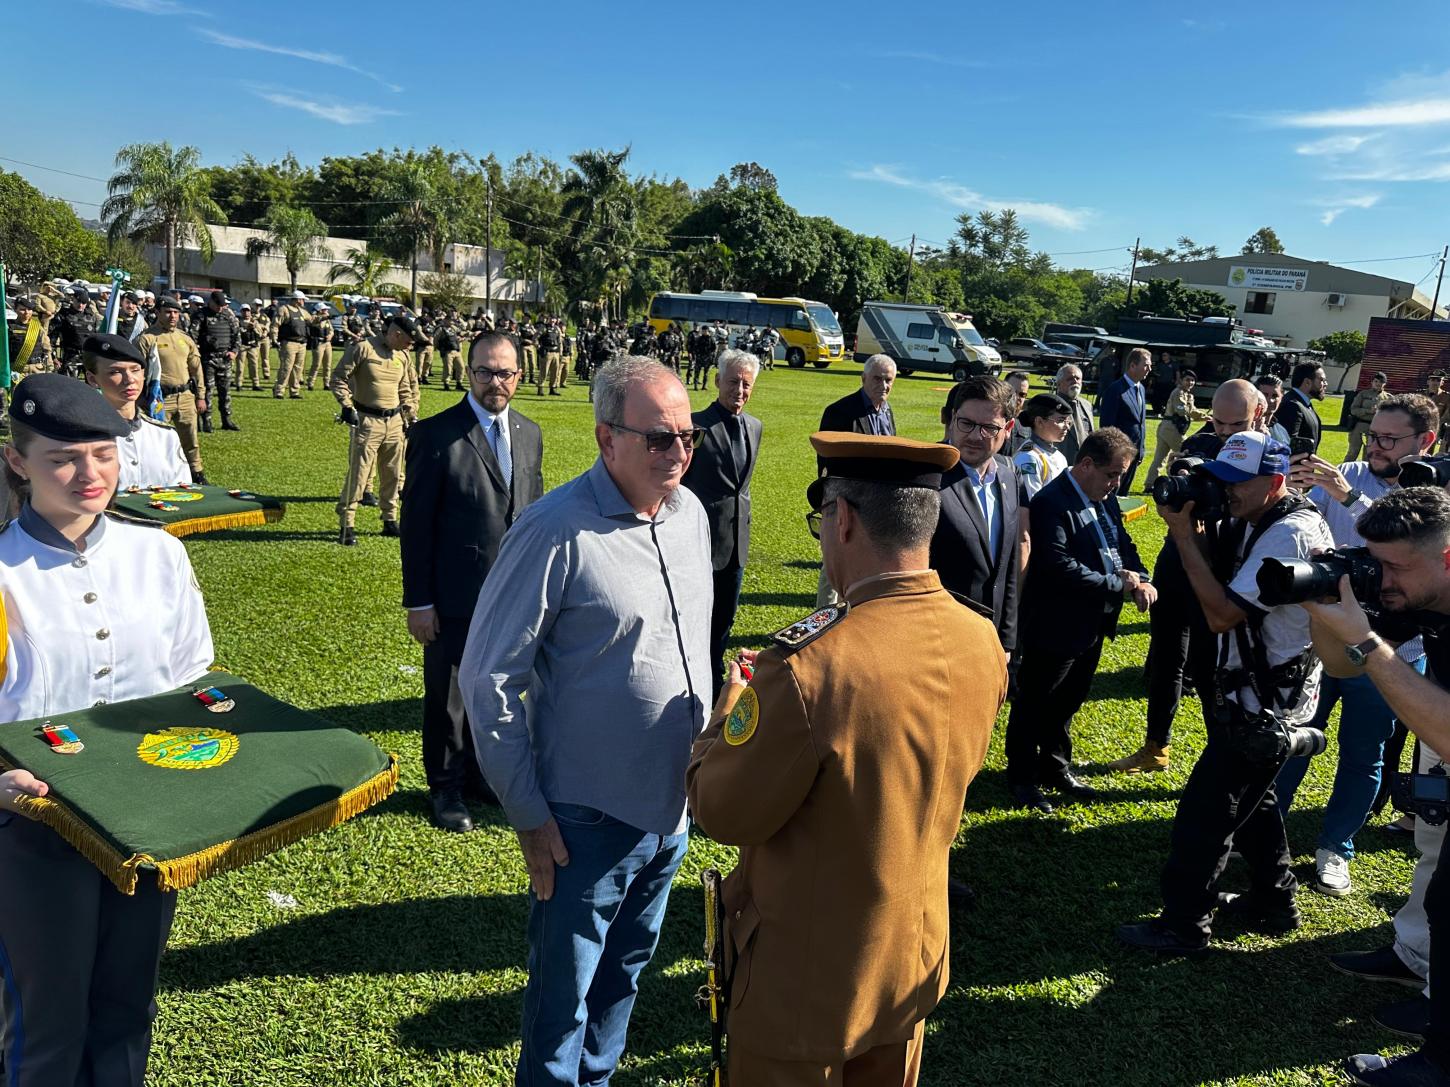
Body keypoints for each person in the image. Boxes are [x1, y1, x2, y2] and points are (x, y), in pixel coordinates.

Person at [686, 431, 1005, 1086]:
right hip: (910, 967)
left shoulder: (808, 667)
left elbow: (721, 808)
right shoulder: (981, 640)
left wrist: (726, 711)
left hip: (803, 994)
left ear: (846, 519)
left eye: (821, 520)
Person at [458, 356, 710, 1087]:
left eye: (688, 437)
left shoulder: (689, 514)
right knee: (561, 1005)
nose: (680, 453)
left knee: (622, 984)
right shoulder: (553, 531)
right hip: (583, 823)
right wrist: (529, 812)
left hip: (673, 810)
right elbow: (487, 677)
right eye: (659, 438)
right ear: (606, 438)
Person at [0, 373, 214, 1087]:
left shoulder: (159, 555)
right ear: (16, 460)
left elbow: (191, 680)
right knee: (46, 1027)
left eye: (102, 453)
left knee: (127, 1013)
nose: (88, 473)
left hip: (146, 820)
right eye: (61, 457)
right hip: (34, 828)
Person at [1118, 430, 1334, 955]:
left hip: (1268, 705)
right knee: (1253, 804)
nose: (1226, 492)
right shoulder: (1252, 518)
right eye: (1221, 479)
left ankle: (1185, 924)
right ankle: (1274, 900)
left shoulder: (1291, 534)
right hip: (1246, 694)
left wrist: (1185, 536)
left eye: (1238, 482)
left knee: (1204, 816)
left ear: (1277, 482)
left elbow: (1222, 614)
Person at [1300, 487, 1450, 1086]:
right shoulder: (1415, 591)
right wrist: (1323, 608)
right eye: (1374, 561)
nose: (1381, 579)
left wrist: (1365, 641)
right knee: (1442, 901)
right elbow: (1339, 666)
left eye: (1394, 566)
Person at [1274, 394, 1441, 895]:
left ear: (1425, 442)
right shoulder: (1341, 472)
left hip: (1394, 653)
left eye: (1390, 440)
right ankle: (1265, 828)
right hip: (1322, 645)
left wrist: (1350, 498)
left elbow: (1412, 541)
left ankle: (1335, 849)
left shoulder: (1435, 492)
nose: (1376, 448)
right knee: (1294, 739)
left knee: (1362, 755)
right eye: (1373, 436)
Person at [401, 332, 543, 833]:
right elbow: (416, 527)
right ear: (468, 372)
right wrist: (419, 601)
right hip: (453, 595)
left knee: (496, 691)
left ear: (518, 377)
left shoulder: (528, 433)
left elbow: (530, 513)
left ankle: (481, 776)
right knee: (449, 694)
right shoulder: (436, 435)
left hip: (513, 595)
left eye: (504, 373)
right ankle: (445, 787)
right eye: (485, 371)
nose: (494, 382)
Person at [1108, 379, 1264, 774]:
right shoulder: (1201, 441)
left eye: (1236, 424)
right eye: (1219, 422)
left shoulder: (1271, 453)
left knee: (1212, 668)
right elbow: (1178, 482)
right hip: (1177, 561)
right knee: (1165, 659)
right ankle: (1155, 746)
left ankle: (1223, 759)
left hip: (1227, 570)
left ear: (1258, 414)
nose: (1225, 432)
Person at [1006, 428, 1155, 813]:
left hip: (1091, 624)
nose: (1117, 483)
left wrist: (1141, 578)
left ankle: (1055, 767)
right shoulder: (1051, 503)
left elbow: (1124, 546)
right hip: (1056, 623)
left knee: (1069, 700)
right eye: (1112, 474)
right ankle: (1022, 778)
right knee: (1034, 704)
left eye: (1120, 475)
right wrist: (1115, 586)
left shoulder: (1102, 498)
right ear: (1086, 464)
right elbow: (1055, 565)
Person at [681, 348, 763, 699]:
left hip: (737, 544)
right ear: (717, 381)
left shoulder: (755, 427)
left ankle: (715, 691)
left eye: (746, 385)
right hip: (700, 543)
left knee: (724, 623)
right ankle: (700, 685)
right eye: (733, 382)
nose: (739, 391)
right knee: (696, 623)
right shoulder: (695, 426)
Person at [931, 376, 1028, 657]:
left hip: (989, 639)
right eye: (966, 423)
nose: (975, 436)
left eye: (988, 428)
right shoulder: (926, 476)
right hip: (939, 641)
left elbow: (1007, 566)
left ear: (1008, 428)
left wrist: (1006, 639)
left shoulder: (1009, 473)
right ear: (951, 419)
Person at [331, 313, 420, 545]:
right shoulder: (363, 348)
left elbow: (405, 389)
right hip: (367, 422)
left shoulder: (402, 356)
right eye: (409, 341)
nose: (412, 345)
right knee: (359, 474)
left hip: (395, 423)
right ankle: (347, 524)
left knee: (392, 474)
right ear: (396, 334)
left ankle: (390, 519)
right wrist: (346, 405)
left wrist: (410, 416)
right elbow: (339, 377)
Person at [82, 333, 191, 489]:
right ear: (93, 379)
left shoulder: (164, 435)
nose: (130, 379)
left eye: (135, 370)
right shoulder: (81, 437)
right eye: (115, 372)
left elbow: (183, 490)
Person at [136, 297, 208, 485]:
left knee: (190, 439)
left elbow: (196, 369)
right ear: (158, 313)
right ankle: (159, 476)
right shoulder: (147, 339)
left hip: (185, 397)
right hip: (160, 399)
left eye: (176, 312)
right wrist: (139, 398)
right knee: (158, 440)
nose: (173, 316)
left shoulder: (184, 338)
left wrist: (200, 396)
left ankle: (196, 474)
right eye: (168, 312)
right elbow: (136, 371)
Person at [1097, 347, 1152, 494]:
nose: (1149, 369)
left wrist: (1140, 450)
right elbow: (1106, 426)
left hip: (1134, 453)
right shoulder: (1115, 390)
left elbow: (1140, 423)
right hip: (1119, 455)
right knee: (1111, 494)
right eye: (1146, 365)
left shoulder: (1140, 389)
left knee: (1123, 494)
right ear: (1133, 366)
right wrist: (1113, 453)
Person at [1143, 369, 1205, 487]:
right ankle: (1178, 481)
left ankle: (1150, 484)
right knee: (1186, 453)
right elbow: (1181, 411)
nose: (1190, 383)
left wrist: (1206, 417)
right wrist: (1196, 412)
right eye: (1187, 380)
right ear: (1181, 380)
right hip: (1172, 429)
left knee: (1160, 458)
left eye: (1192, 381)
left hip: (1166, 428)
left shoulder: (1186, 394)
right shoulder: (1179, 392)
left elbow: (1192, 411)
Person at [1011, 392, 1072, 500]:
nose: (1067, 427)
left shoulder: (1059, 456)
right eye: (1061, 420)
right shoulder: (1028, 458)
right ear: (1039, 422)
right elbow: (1033, 503)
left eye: (1068, 422)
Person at [195, 290, 240, 432]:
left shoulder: (228, 315)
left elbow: (236, 336)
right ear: (211, 302)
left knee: (225, 392)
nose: (220, 308)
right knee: (207, 391)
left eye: (223, 306)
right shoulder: (201, 315)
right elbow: (193, 336)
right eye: (218, 305)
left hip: (225, 359)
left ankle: (226, 420)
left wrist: (234, 351)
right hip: (208, 359)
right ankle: (206, 420)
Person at [820, 355, 896, 436]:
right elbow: (828, 448)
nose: (883, 386)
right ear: (864, 378)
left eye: (888, 380)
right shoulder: (837, 412)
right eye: (877, 379)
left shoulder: (886, 410)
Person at [1276, 360, 1327, 453]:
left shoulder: (1304, 404)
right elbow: (1288, 446)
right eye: (1322, 380)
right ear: (1307, 382)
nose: (1325, 384)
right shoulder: (1292, 405)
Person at [272, 289, 310, 400]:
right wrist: (274, 338)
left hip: (301, 343)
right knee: (286, 367)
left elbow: (311, 320)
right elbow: (275, 324)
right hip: (289, 343)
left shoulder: (301, 310)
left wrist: (322, 317)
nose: (304, 302)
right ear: (298, 299)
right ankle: (279, 390)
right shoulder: (284, 309)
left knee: (298, 369)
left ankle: (294, 391)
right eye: (303, 300)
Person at [1055, 362, 1095, 465]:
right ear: (1058, 383)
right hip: (1058, 464)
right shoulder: (1050, 405)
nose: (1075, 381)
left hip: (1084, 465)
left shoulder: (1087, 405)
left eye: (1078, 378)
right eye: (1070, 379)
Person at [1348, 372, 1391, 461]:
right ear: (1372, 382)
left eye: (1381, 382)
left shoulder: (1388, 398)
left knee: (1369, 454)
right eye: (1376, 381)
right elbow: (1353, 410)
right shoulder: (1363, 394)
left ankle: (1365, 474)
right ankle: (1343, 472)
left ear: (1385, 384)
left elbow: (1392, 414)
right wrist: (1368, 411)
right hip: (1360, 426)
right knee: (1353, 452)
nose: (1378, 384)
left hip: (1377, 429)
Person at [1256, 373, 1292, 445]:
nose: (1270, 400)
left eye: (1275, 396)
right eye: (1264, 395)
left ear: (1281, 398)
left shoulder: (1282, 431)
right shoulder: (1242, 425)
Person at [306, 303, 334, 392]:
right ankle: (310, 383)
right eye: (325, 309)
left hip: (327, 343)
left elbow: (331, 330)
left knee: (327, 365)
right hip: (318, 343)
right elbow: (315, 321)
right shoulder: (314, 318)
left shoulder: (327, 320)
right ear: (320, 310)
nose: (327, 311)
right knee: (316, 364)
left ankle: (327, 383)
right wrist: (325, 317)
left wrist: (330, 335)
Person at [1003, 370, 1032, 453]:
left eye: (1022, 395)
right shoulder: (990, 419)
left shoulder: (1027, 423)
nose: (1017, 397)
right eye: (1013, 392)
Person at [538, 317, 563, 396]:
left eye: (554, 319)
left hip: (555, 352)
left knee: (555, 372)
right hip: (547, 352)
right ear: (548, 319)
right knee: (544, 372)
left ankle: (552, 388)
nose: (553, 321)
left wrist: (560, 352)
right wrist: (539, 347)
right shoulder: (544, 328)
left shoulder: (557, 329)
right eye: (551, 319)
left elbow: (560, 341)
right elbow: (535, 338)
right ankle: (540, 388)